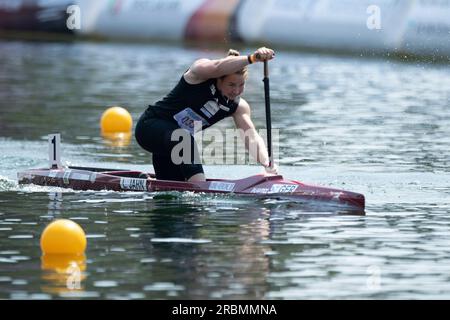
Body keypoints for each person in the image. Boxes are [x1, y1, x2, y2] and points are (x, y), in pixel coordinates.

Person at [135, 47, 278, 182]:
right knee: (183, 137)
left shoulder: (238, 107)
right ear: (218, 79)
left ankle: (152, 183)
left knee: (173, 189)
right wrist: (252, 58)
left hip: (172, 147)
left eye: (241, 85)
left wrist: (267, 163)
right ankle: (200, 191)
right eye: (231, 85)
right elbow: (217, 67)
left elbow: (251, 137)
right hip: (149, 129)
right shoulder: (198, 73)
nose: (236, 91)